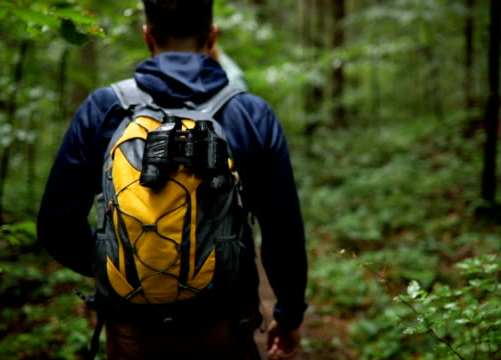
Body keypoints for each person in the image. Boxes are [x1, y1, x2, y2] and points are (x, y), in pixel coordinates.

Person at [37, 1, 307, 359]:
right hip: (224, 321)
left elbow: (56, 224)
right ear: (212, 37)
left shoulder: (104, 109)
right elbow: (282, 233)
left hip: (132, 325)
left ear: (147, 35)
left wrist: (125, 262)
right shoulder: (250, 113)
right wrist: (287, 316)